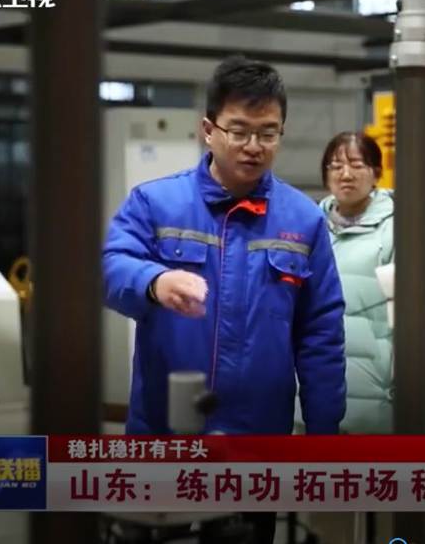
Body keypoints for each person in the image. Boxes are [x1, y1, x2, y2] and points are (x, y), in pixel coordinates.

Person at [102, 56, 347, 543]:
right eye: (239, 131)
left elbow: (321, 331)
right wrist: (154, 281)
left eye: (268, 133)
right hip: (163, 436)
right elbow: (110, 267)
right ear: (208, 130)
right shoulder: (156, 204)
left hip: (257, 442)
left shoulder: (302, 221)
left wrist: (324, 432)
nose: (254, 146)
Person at [319, 131, 395, 434]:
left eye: (356, 165)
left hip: (376, 386)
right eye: (336, 166)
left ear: (376, 173)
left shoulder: (398, 228)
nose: (346, 174)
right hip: (315, 382)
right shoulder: (308, 226)